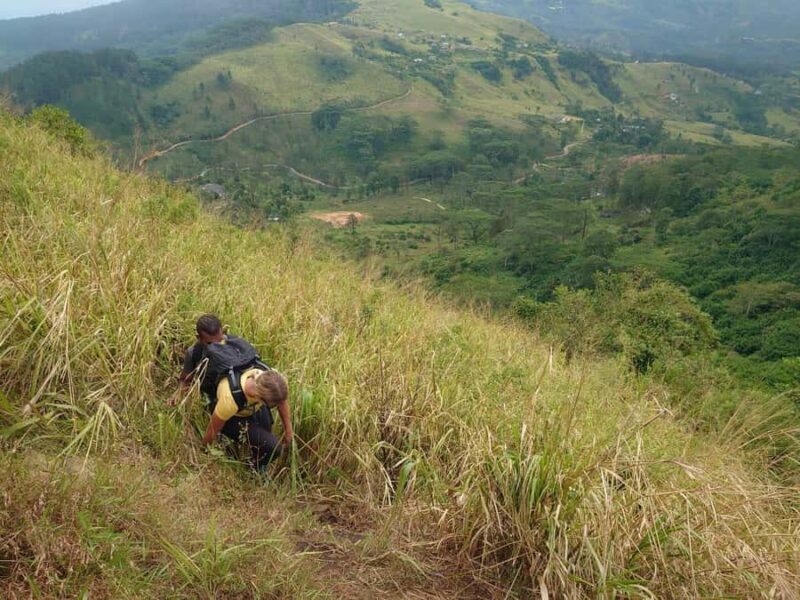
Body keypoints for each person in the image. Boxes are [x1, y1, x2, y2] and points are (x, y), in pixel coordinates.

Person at [176, 314, 293, 472]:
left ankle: (248, 457)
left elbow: (281, 399)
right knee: (273, 446)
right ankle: (253, 470)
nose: (215, 345)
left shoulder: (270, 377)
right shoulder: (229, 397)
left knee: (264, 438)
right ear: (260, 398)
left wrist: (288, 430)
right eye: (210, 343)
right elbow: (212, 429)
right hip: (231, 411)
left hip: (249, 405)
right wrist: (203, 453)